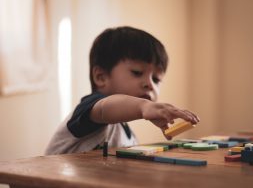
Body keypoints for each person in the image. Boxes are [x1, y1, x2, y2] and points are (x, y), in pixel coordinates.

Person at [45, 26, 199, 155]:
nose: (150, 84)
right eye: (137, 72)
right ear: (101, 77)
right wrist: (143, 106)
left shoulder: (128, 136)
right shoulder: (92, 109)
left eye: (156, 79)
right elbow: (106, 108)